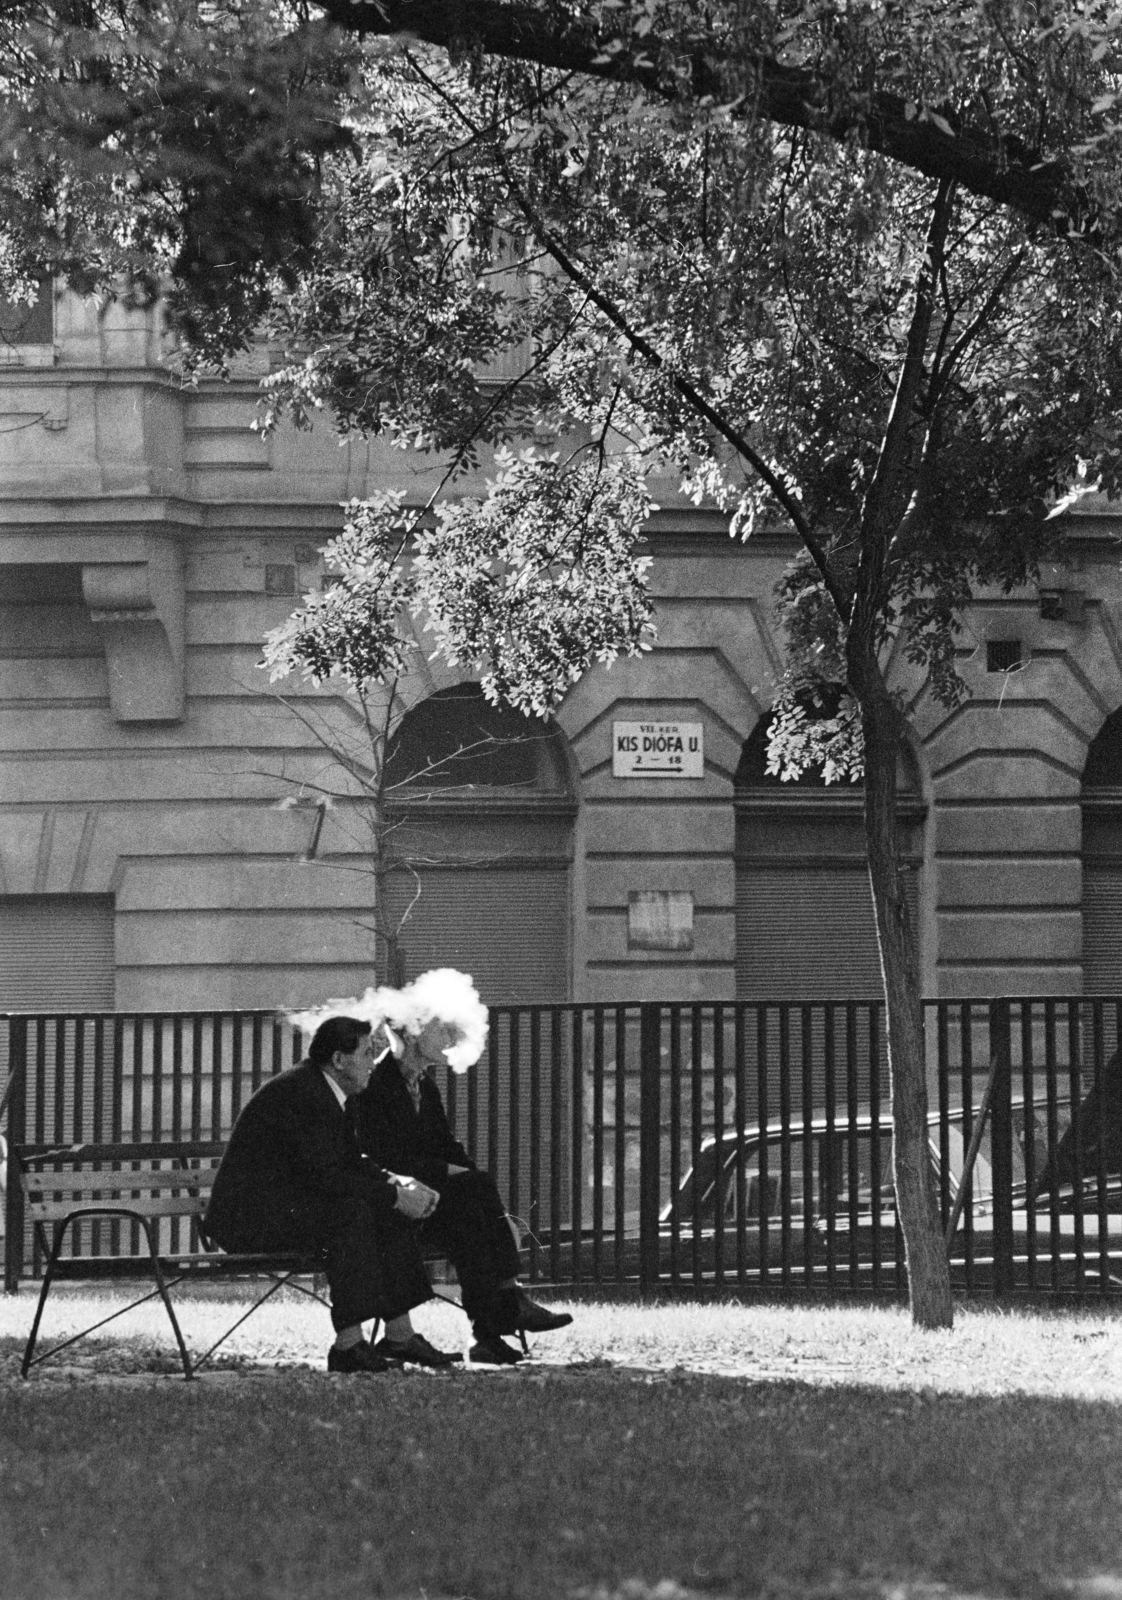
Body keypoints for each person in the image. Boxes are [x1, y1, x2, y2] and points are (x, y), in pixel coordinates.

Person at [203, 1014, 461, 1374]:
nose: (375, 1062)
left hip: (287, 1208)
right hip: (248, 1222)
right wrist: (393, 1195)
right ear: (339, 1060)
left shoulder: (334, 1089)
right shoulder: (304, 1093)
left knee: (377, 1207)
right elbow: (325, 1177)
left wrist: (398, 1182)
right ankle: (349, 1346)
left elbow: (350, 1161)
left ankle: (400, 1336)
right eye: (367, 1053)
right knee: (352, 1213)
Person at [352, 969, 574, 1366]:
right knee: (472, 1205)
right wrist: (467, 1182)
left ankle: (491, 1330)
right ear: (416, 1032)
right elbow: (387, 1158)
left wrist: (494, 1208)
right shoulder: (377, 1084)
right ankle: (503, 1310)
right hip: (400, 1202)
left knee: (474, 1213)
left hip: (434, 1200)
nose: (453, 1037)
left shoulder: (425, 1085)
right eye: (443, 1029)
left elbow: (448, 1147)